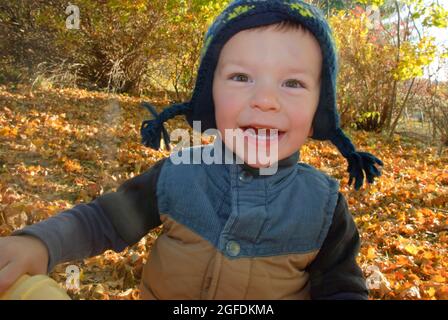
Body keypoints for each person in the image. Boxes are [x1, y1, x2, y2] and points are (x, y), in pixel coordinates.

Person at [0, 0, 383, 299]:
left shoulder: (323, 208)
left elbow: (342, 289)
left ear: (321, 108)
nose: (265, 99)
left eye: (293, 83)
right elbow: (100, 221)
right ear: (209, 95)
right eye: (240, 77)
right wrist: (40, 243)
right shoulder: (178, 176)